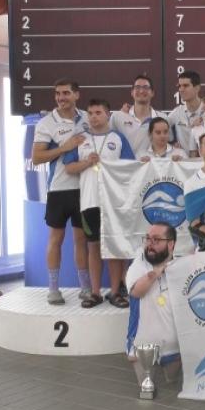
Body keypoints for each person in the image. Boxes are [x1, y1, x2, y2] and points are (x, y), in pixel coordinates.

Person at [63, 99, 135, 308]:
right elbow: (69, 168)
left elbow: (130, 167)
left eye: (98, 113)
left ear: (108, 115)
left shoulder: (118, 138)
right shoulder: (80, 139)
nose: (94, 117)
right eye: (91, 113)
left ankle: (115, 292)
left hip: (114, 202)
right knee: (93, 246)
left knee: (114, 247)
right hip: (90, 201)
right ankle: (95, 293)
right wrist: (87, 162)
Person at [31, 78, 91, 305]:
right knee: (56, 238)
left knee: (81, 239)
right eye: (58, 93)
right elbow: (37, 157)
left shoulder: (87, 117)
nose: (61, 98)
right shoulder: (47, 123)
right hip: (59, 189)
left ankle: (86, 288)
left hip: (84, 187)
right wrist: (64, 148)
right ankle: (53, 289)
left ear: (76, 95)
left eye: (66, 93)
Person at [126, 223, 182, 385]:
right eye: (148, 239)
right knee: (146, 389)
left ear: (170, 244)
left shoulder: (181, 267)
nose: (150, 243)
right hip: (143, 344)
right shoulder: (138, 265)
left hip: (175, 346)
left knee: (172, 383)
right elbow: (137, 292)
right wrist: (158, 270)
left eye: (156, 240)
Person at [112, 74, 166, 155]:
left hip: (152, 163)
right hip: (125, 163)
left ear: (152, 93)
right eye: (137, 87)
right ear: (132, 92)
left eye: (145, 87)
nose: (141, 91)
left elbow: (169, 145)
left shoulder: (163, 118)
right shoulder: (117, 117)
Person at [167, 70, 204, 156]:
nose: (181, 89)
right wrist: (170, 146)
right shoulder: (177, 112)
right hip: (184, 162)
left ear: (197, 88)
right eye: (179, 86)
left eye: (186, 86)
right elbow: (158, 128)